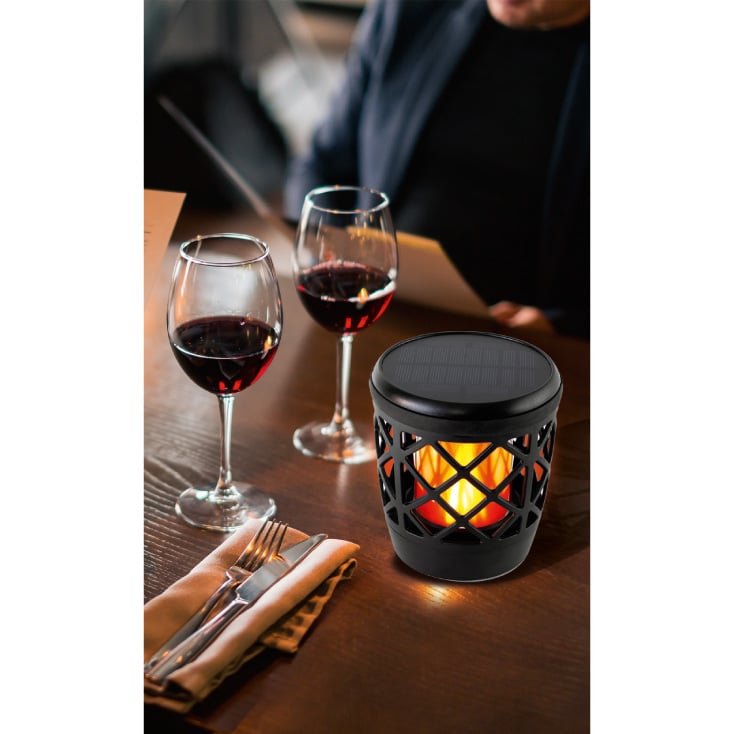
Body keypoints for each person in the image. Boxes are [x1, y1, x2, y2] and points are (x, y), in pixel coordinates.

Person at [283, 0, 590, 338]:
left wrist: (564, 324)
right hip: (376, 308)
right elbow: (322, 163)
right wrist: (326, 254)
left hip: (519, 345)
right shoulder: (409, 10)